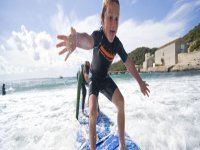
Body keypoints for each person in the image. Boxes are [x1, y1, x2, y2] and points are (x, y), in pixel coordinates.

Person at [56, 0, 150, 149]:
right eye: (109, 17)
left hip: (105, 78)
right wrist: (76, 39)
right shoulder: (98, 36)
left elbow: (128, 63)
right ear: (102, 19)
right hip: (94, 78)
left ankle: (122, 145)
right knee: (93, 112)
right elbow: (87, 40)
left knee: (121, 102)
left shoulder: (117, 44)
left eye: (117, 18)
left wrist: (140, 82)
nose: (113, 23)